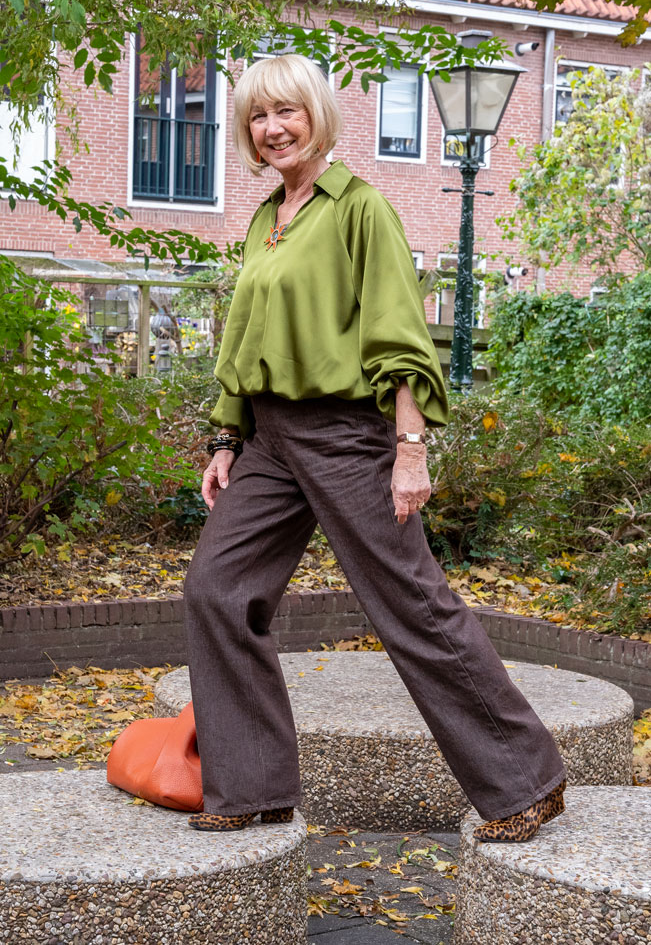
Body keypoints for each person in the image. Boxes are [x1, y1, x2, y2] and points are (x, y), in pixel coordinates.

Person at [183, 53, 567, 840]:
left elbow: (399, 338)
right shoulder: (266, 216)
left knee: (411, 606)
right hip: (270, 441)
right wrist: (226, 437)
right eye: (258, 116)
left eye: (286, 111)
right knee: (215, 589)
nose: (272, 127)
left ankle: (525, 780)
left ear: (317, 115)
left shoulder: (360, 209)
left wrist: (410, 447)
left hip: (346, 435)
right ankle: (253, 785)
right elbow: (245, 338)